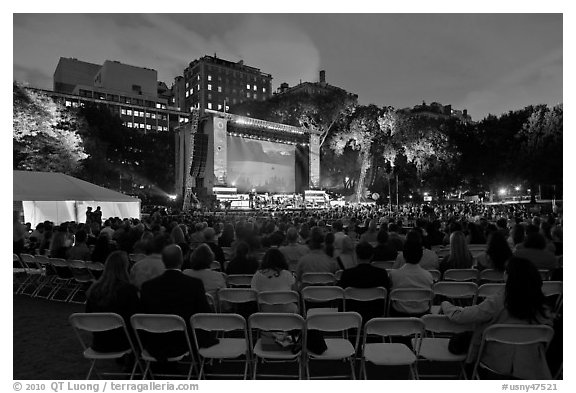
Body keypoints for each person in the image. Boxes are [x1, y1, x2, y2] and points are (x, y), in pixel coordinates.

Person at [441, 257, 553, 379]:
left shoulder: (498, 302)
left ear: (508, 276)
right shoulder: (543, 308)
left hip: (495, 364)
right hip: (532, 367)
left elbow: (462, 316)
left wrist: (446, 305)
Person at [140, 245, 217, 360]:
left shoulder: (147, 286)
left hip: (155, 341)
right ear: (181, 260)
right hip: (186, 341)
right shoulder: (194, 284)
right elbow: (204, 314)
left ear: (163, 261)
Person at [85, 251, 140, 352]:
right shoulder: (129, 290)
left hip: (99, 342)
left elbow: (88, 315)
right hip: (123, 343)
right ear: (125, 267)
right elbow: (135, 318)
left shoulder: (94, 289)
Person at [338, 241, 390, 322]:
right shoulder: (382, 273)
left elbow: (341, 295)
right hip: (376, 312)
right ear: (372, 256)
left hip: (352, 312)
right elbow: (387, 293)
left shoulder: (347, 274)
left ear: (356, 256)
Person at [388, 231, 434, 317]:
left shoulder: (394, 274)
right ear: (420, 256)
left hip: (398, 313)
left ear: (404, 255)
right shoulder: (428, 276)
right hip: (422, 314)